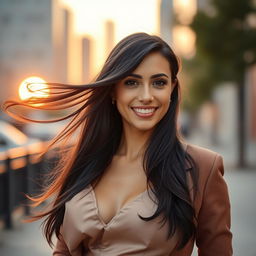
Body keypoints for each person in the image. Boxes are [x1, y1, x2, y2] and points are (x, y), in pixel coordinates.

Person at [3, 32, 232, 255]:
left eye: (158, 83)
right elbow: (63, 250)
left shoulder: (203, 168)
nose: (146, 96)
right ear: (114, 90)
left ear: (172, 89)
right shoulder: (84, 161)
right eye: (132, 82)